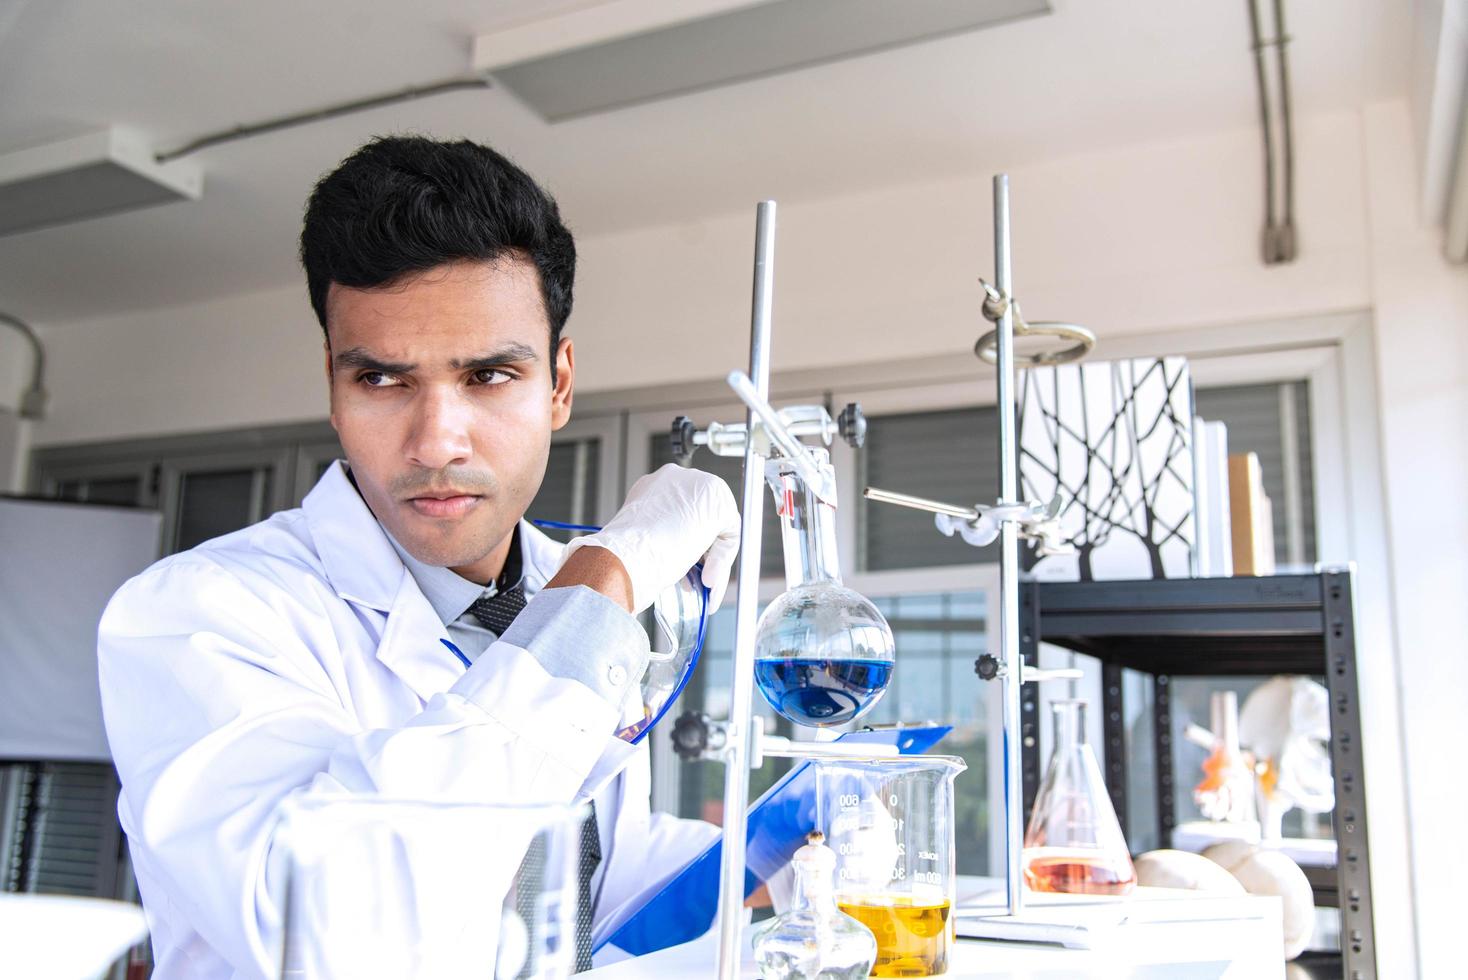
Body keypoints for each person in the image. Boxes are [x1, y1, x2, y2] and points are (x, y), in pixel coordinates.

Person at [97, 135, 741, 979]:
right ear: (333, 382)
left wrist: (773, 850)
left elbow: (576, 868)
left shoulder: (560, 597)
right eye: (382, 381)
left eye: (488, 376)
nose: (436, 441)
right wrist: (602, 585)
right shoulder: (194, 614)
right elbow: (340, 932)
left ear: (559, 384)